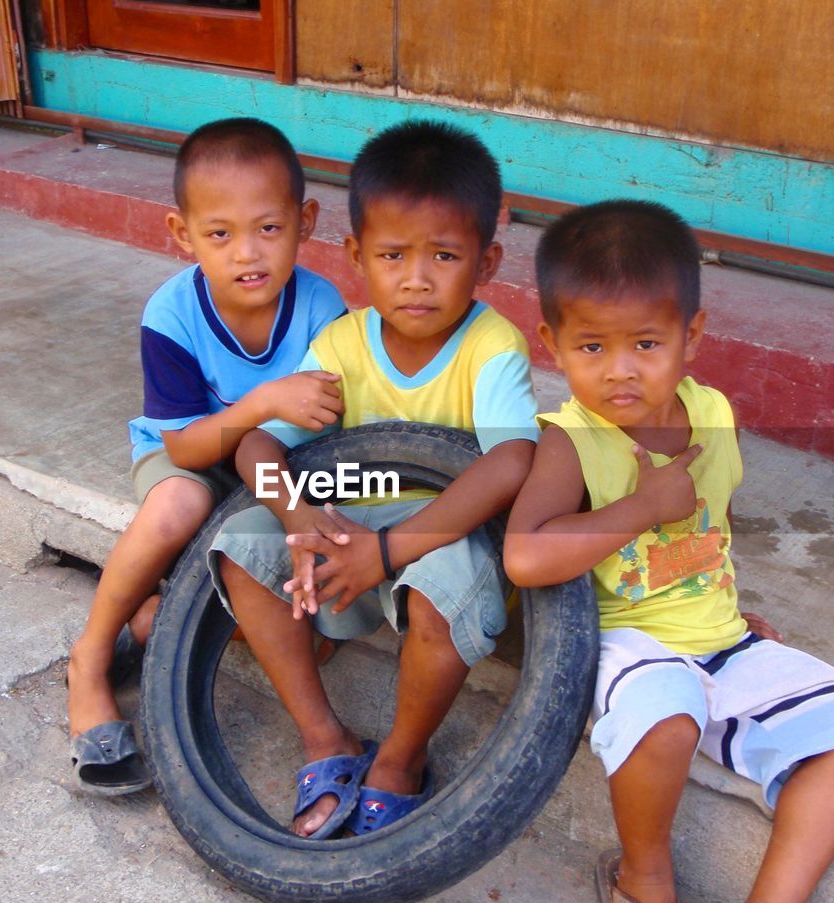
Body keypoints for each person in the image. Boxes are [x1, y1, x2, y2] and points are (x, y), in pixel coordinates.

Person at [504, 200, 834, 903]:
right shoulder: (571, 441)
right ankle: (646, 878)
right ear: (552, 344)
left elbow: (711, 526)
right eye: (592, 346)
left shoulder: (713, 413)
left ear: (693, 336)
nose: (620, 369)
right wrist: (642, 505)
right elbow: (526, 557)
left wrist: (734, 607)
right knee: (665, 710)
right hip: (625, 642)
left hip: (719, 640)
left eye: (646, 343)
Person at [209, 119, 539, 839]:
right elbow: (257, 444)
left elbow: (513, 462)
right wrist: (298, 516)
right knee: (240, 542)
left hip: (442, 535)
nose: (416, 278)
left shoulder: (491, 348)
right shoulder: (341, 345)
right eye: (392, 254)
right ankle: (326, 739)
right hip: (344, 524)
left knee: (441, 588)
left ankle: (399, 761)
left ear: (486, 262)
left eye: (445, 255)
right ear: (357, 254)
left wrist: (386, 554)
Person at [67, 118, 347, 795]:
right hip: (189, 455)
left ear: (305, 221)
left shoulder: (322, 305)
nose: (247, 253)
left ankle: (157, 616)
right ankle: (92, 658)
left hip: (277, 460)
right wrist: (263, 402)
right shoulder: (171, 315)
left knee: (317, 582)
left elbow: (333, 427)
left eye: (269, 229)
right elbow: (187, 445)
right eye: (219, 234)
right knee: (180, 505)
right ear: (181, 234)